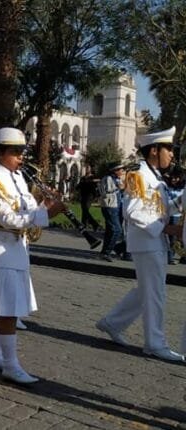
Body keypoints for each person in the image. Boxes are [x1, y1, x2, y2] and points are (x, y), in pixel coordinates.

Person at [0, 127, 66, 384]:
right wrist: (47, 215)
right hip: (0, 246)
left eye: (22, 151)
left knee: (2, 305)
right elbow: (7, 218)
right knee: (7, 309)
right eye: (15, 152)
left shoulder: (15, 176)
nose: (20, 157)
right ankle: (10, 364)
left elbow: (27, 209)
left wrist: (45, 203)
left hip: (16, 247)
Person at [96, 127, 185, 362]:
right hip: (147, 241)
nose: (172, 155)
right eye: (169, 149)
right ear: (154, 150)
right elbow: (132, 211)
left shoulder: (154, 175)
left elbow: (162, 208)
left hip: (154, 241)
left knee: (147, 290)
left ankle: (112, 323)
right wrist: (168, 228)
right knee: (156, 293)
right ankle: (155, 343)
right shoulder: (138, 173)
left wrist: (182, 200)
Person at [98, 162, 126, 262]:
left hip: (116, 206)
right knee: (116, 230)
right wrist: (119, 187)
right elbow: (105, 191)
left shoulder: (116, 179)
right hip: (109, 206)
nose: (123, 171)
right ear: (115, 170)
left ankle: (105, 252)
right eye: (121, 170)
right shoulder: (108, 178)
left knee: (110, 230)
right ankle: (108, 251)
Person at [76, 167, 101, 231]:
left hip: (90, 196)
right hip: (83, 195)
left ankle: (94, 224)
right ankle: (85, 225)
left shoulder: (93, 177)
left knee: (85, 210)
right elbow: (79, 186)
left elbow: (98, 182)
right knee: (84, 211)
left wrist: (92, 181)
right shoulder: (83, 178)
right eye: (86, 168)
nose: (87, 170)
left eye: (88, 168)